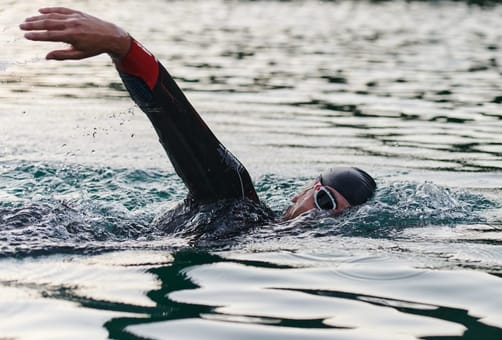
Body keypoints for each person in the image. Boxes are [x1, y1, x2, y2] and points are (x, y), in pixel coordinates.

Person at [19, 7, 376, 236]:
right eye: (325, 203)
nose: (321, 220)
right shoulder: (235, 199)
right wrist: (124, 46)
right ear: (303, 192)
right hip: (41, 230)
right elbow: (177, 122)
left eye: (339, 219)